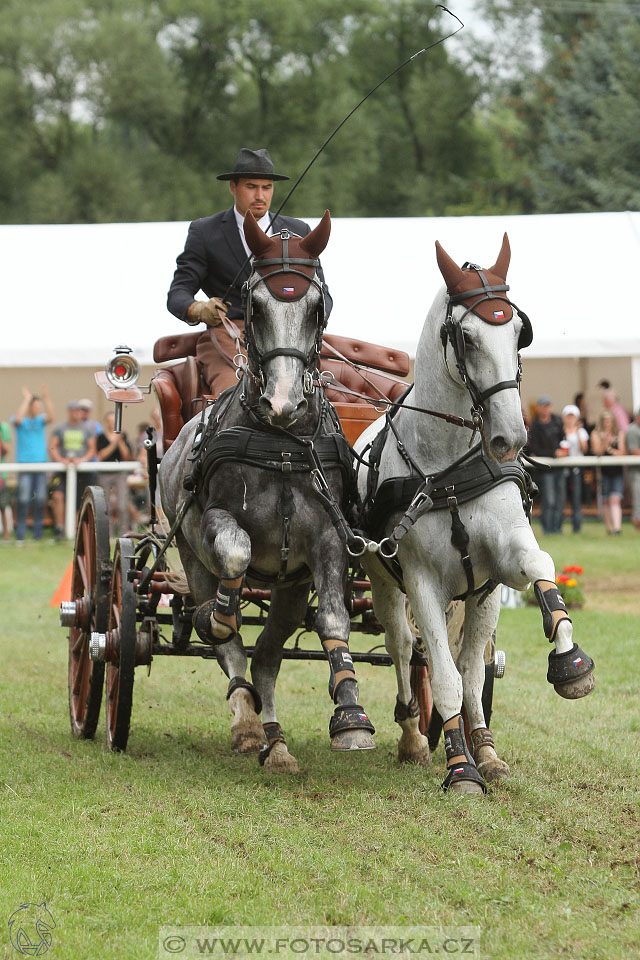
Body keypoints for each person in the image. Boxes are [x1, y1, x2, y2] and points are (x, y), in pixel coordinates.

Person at [167, 147, 333, 397]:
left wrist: (308, 320)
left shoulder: (298, 230)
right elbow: (178, 292)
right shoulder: (204, 232)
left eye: (267, 187)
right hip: (229, 337)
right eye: (251, 186)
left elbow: (323, 294)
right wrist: (198, 309)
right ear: (233, 187)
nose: (260, 195)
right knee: (233, 395)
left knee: (319, 401)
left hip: (289, 338)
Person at [11, 385, 55, 544]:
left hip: (41, 466)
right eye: (36, 406)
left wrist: (46, 398)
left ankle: (38, 535)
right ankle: (21, 535)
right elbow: (17, 419)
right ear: (30, 407)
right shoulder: (20, 421)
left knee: (41, 500)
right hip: (24, 465)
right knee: (23, 500)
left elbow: (51, 416)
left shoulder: (40, 420)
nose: (39, 409)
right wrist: (27, 399)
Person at [49, 401, 98, 540]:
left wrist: (82, 460)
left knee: (80, 500)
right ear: (69, 412)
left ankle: (77, 532)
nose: (78, 413)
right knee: (58, 496)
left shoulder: (87, 429)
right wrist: (61, 460)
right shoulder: (60, 428)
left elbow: (92, 449)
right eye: (75, 410)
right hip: (63, 471)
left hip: (82, 471)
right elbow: (53, 446)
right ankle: (60, 528)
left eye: (80, 411)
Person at [525, 395, 567, 534]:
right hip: (545, 469)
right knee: (549, 500)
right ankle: (548, 528)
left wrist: (562, 451)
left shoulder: (557, 421)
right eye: (543, 406)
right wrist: (554, 453)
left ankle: (557, 527)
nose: (546, 408)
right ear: (538, 408)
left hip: (559, 466)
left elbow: (563, 439)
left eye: (548, 405)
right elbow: (535, 449)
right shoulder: (535, 426)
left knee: (560, 499)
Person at [589, 409, 626, 534]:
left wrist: (610, 449)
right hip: (602, 471)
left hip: (616, 470)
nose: (607, 423)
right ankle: (608, 528)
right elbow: (597, 451)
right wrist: (605, 442)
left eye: (609, 421)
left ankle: (617, 528)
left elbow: (622, 452)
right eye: (604, 421)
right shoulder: (595, 433)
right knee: (605, 499)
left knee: (615, 498)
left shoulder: (619, 433)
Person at [96, 411, 133, 537]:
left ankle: (124, 532)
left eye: (114, 422)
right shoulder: (101, 437)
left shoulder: (124, 436)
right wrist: (113, 443)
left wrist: (120, 441)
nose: (112, 424)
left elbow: (127, 456)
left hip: (120, 473)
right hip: (104, 473)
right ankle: (107, 533)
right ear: (106, 423)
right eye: (110, 422)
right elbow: (100, 455)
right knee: (106, 505)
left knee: (122, 504)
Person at [561, 404, 589, 533]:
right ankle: (558, 526)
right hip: (563, 469)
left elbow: (584, 449)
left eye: (573, 416)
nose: (570, 419)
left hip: (576, 470)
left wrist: (577, 432)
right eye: (568, 416)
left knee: (576, 499)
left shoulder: (581, 432)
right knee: (561, 498)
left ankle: (576, 527)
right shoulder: (560, 430)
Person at [625, 407, 640, 532]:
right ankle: (637, 522)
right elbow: (634, 451)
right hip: (636, 471)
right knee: (637, 498)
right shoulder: (632, 430)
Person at [0, 418, 12, 541]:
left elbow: (6, 450)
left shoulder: (3, 428)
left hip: (0, 477)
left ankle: (6, 535)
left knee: (3, 506)